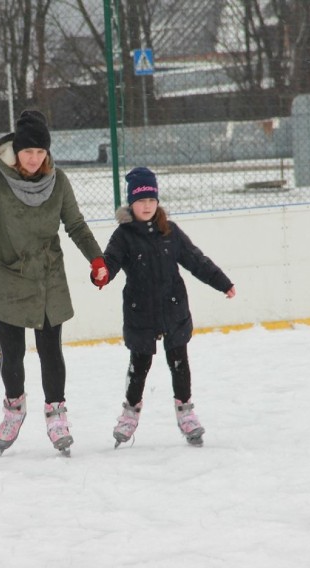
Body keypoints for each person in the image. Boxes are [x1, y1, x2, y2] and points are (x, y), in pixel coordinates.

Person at [0, 109, 107, 456]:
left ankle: (56, 412)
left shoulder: (59, 181)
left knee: (50, 350)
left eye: (41, 152)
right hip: (7, 275)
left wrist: (97, 259)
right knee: (12, 353)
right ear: (16, 151)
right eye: (28, 152)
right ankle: (14, 408)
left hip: (47, 277)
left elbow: (76, 225)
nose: (34, 158)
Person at [94, 167, 236, 447]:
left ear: (157, 202)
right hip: (140, 312)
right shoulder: (123, 235)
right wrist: (101, 274)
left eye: (151, 200)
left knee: (179, 363)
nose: (146, 206)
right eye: (140, 200)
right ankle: (130, 411)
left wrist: (222, 282)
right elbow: (109, 262)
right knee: (139, 365)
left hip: (173, 309)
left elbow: (196, 260)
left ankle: (186, 411)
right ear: (130, 203)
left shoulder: (170, 231)